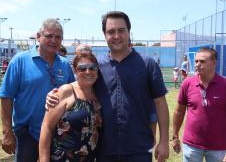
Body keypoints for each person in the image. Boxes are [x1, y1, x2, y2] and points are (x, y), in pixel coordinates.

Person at [47, 11, 169, 162]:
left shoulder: (147, 63)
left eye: (121, 31)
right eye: (111, 32)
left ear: (129, 32)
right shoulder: (95, 66)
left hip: (139, 149)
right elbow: (78, 88)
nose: (116, 36)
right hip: (104, 150)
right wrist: (54, 95)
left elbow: (160, 102)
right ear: (105, 34)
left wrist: (164, 141)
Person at [0, 18, 75, 162]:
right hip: (26, 133)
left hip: (58, 133)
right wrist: (7, 132)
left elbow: (74, 95)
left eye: (58, 37)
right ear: (39, 36)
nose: (53, 40)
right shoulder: (19, 61)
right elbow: (6, 96)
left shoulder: (65, 65)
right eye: (48, 36)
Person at [39, 52, 102, 162]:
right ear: (74, 70)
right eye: (82, 68)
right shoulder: (66, 91)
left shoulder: (98, 93)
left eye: (92, 67)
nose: (88, 72)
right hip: (62, 158)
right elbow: (47, 127)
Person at [172, 47, 226, 162]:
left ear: (214, 63)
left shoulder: (224, 85)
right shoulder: (187, 83)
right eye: (196, 61)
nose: (197, 64)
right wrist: (175, 136)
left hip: (219, 147)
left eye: (202, 61)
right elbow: (179, 111)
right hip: (191, 146)